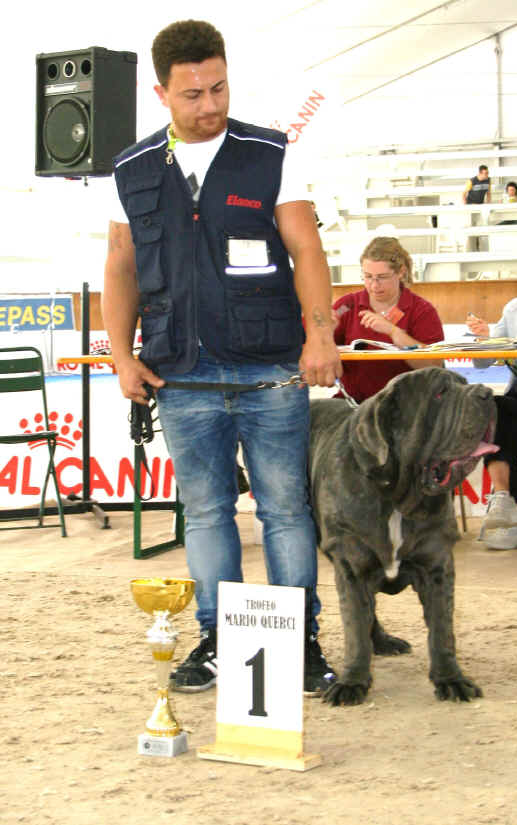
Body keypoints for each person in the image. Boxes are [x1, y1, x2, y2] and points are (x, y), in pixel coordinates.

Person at [102, 20, 342, 696]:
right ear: (161, 93)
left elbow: (308, 250)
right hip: (179, 374)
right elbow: (119, 267)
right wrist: (123, 356)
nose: (209, 105)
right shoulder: (130, 169)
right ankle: (217, 638)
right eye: (192, 94)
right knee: (205, 514)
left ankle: (299, 641)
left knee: (287, 511)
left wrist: (320, 334)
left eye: (219, 87)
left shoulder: (272, 154)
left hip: (270, 371)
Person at [466, 237, 517, 550]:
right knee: (491, 410)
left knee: (513, 433)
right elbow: (483, 362)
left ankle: (514, 517)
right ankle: (507, 503)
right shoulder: (515, 310)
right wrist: (485, 338)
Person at [332, 236, 444, 402]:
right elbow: (319, 338)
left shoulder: (422, 311)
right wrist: (321, 328)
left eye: (382, 277)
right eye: (368, 276)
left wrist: (393, 332)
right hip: (354, 404)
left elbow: (434, 367)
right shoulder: (347, 305)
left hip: (406, 406)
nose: (374, 285)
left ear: (401, 272)